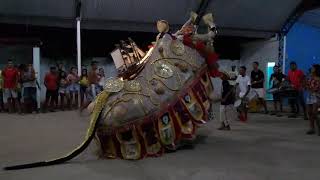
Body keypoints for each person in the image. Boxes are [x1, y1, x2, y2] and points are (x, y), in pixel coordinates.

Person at [304, 64, 320, 135]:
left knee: (315, 113)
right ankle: (312, 128)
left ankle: (319, 128)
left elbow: (316, 88)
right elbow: (306, 86)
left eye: (313, 68)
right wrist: (305, 84)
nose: (312, 69)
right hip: (310, 96)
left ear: (316, 69)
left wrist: (311, 89)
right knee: (309, 112)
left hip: (316, 96)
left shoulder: (318, 78)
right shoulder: (310, 77)